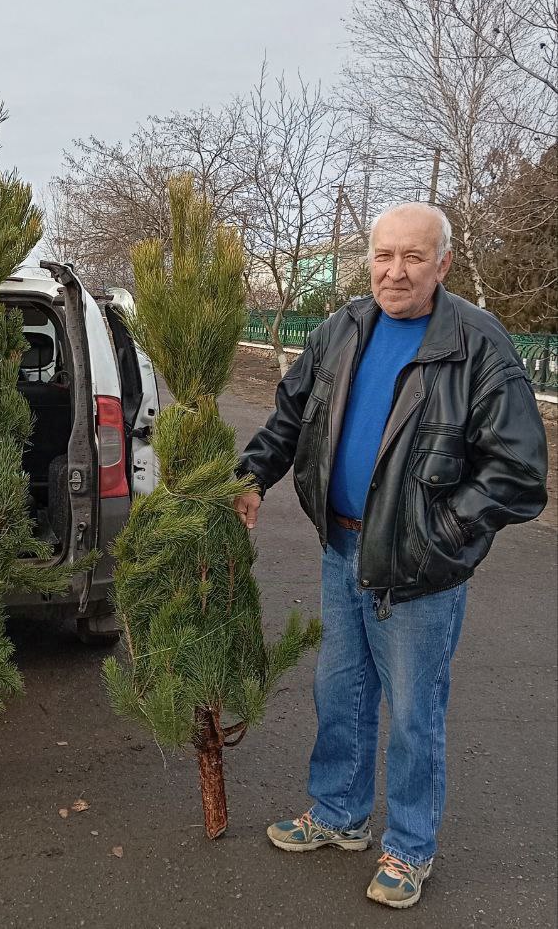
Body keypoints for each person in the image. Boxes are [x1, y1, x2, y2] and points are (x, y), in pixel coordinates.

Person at [234, 203, 548, 909]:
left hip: (418, 570)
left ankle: (408, 848)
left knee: (413, 710)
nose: (394, 271)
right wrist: (252, 474)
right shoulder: (342, 328)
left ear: (443, 264)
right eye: (383, 255)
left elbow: (520, 473)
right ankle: (340, 814)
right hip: (340, 545)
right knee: (338, 692)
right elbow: (290, 414)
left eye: (412, 257)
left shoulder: (478, 342)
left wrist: (437, 537)